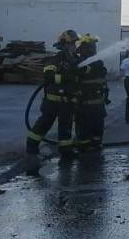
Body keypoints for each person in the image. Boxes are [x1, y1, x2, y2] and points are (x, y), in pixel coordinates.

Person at [27, 29, 80, 162]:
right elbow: (48, 75)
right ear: (64, 45)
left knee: (65, 127)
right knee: (44, 124)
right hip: (53, 101)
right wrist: (64, 77)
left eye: (74, 43)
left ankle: (66, 151)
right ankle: (31, 148)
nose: (74, 46)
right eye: (72, 44)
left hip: (67, 102)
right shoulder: (57, 58)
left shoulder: (75, 60)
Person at [74, 34, 110, 152]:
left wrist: (106, 94)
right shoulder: (79, 62)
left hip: (98, 103)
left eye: (94, 46)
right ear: (86, 47)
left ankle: (96, 144)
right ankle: (84, 147)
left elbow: (103, 82)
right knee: (84, 127)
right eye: (92, 46)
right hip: (84, 104)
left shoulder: (98, 61)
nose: (94, 48)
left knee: (97, 127)